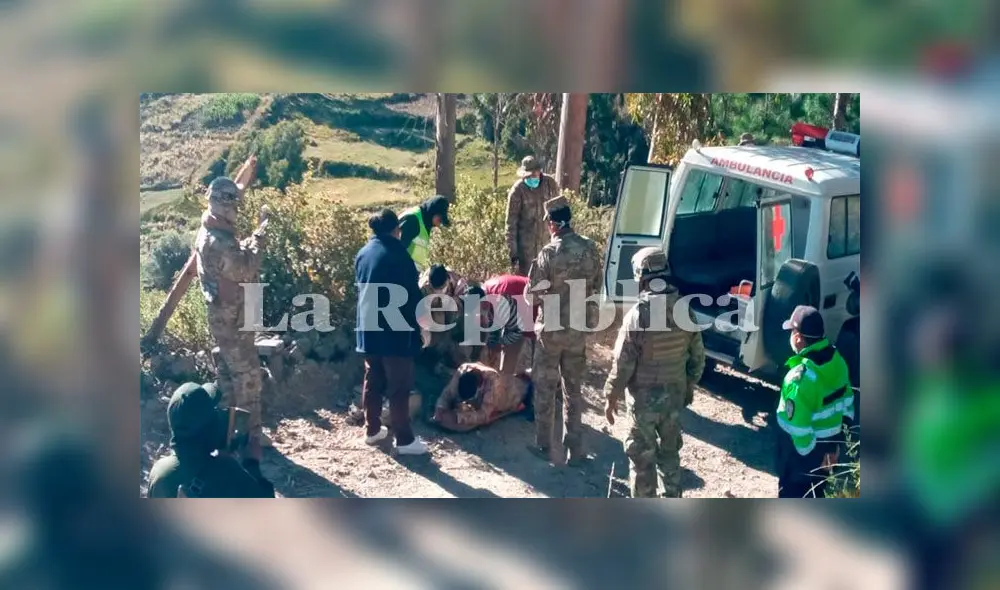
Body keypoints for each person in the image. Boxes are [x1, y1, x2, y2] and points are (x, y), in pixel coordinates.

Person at [602, 247, 706, 498]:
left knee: (642, 460)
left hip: (644, 402)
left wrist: (610, 396)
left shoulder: (638, 315)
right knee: (670, 455)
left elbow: (622, 364)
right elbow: (698, 357)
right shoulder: (685, 309)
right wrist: (688, 385)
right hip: (674, 396)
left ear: (642, 277)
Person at [194, 176, 267, 468]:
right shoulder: (219, 240)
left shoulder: (209, 231)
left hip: (224, 318)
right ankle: (250, 442)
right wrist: (260, 235)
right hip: (233, 321)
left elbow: (234, 262)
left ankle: (228, 438)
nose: (237, 210)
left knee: (228, 378)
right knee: (248, 379)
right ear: (225, 206)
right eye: (234, 205)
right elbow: (246, 268)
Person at [525, 196, 603, 466]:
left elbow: (531, 297)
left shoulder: (548, 253)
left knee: (545, 388)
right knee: (574, 390)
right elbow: (596, 286)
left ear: (553, 224)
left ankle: (543, 444)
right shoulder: (591, 249)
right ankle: (576, 450)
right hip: (578, 331)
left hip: (551, 334)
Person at [355, 208, 429, 455]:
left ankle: (372, 430)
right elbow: (413, 296)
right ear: (396, 229)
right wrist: (423, 327)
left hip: (368, 329)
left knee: (373, 379)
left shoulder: (363, 253)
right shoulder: (399, 255)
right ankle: (405, 441)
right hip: (395, 330)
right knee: (399, 385)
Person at [775, 305, 854, 498]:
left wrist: (812, 457)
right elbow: (847, 404)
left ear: (799, 338)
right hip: (828, 454)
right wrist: (834, 447)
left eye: (792, 331)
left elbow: (799, 428)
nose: (791, 336)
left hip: (799, 462)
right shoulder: (838, 362)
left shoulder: (798, 379)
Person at [147, 382, 275, 498]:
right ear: (211, 426)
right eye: (215, 411)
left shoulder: (160, 472)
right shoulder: (227, 472)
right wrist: (251, 463)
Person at [433, 362, 533, 432]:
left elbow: (484, 414)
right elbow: (448, 393)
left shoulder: (493, 382)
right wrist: (440, 408)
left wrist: (459, 417)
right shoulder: (463, 370)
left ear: (479, 387)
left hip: (519, 393)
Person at [506, 155, 560, 276]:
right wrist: (513, 254)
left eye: (533, 175)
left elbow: (559, 212)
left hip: (548, 246)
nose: (530, 178)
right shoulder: (517, 191)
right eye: (527, 176)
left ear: (539, 171)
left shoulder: (550, 184)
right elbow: (511, 225)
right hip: (526, 253)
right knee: (528, 286)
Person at [478, 273, 538, 375]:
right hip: (521, 312)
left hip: (541, 311)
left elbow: (516, 331)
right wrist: (492, 344)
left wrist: (498, 344)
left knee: (542, 367)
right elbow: (493, 322)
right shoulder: (485, 291)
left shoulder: (499, 299)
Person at [417, 264, 469, 366]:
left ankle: (437, 354)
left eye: (440, 288)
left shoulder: (452, 279)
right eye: (435, 288)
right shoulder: (423, 288)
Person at [399, 195, 451, 272]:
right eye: (440, 220)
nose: (439, 224)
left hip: (410, 275)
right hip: (400, 274)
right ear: (433, 212)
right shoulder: (413, 220)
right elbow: (396, 250)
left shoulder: (425, 221)